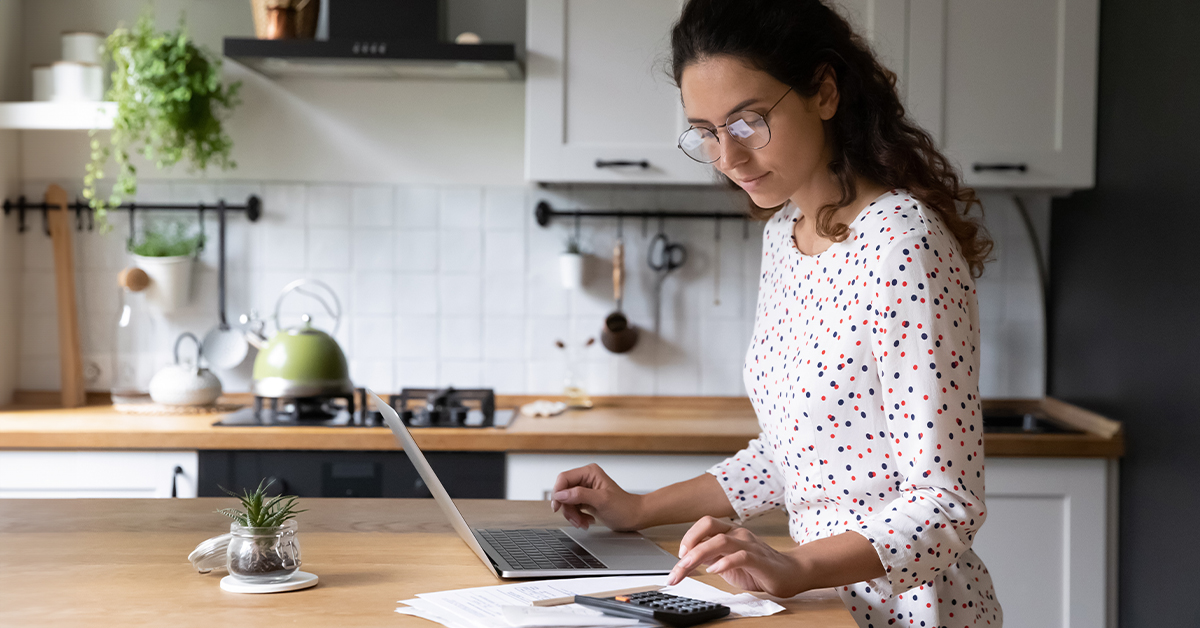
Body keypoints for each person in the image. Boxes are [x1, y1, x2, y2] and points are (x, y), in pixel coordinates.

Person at [549, 0, 1002, 625]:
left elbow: (948, 503)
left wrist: (796, 566)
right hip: (814, 606)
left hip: (910, 610)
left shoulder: (902, 242)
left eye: (748, 121)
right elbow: (794, 456)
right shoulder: (786, 234)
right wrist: (638, 508)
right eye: (706, 131)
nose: (727, 158)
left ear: (823, 91)